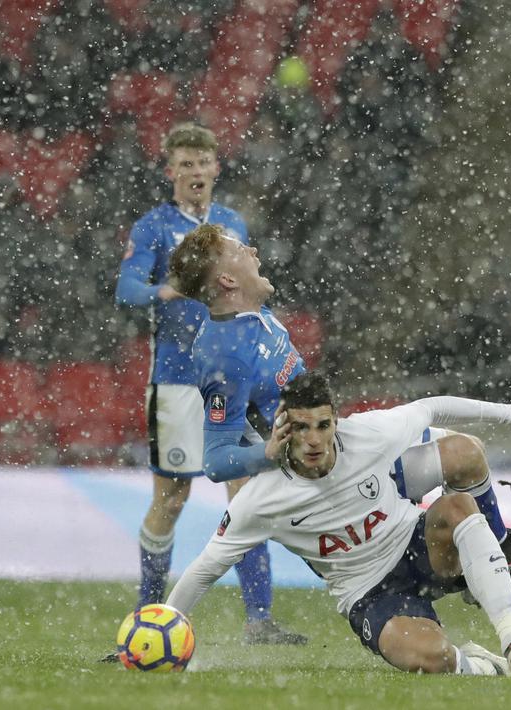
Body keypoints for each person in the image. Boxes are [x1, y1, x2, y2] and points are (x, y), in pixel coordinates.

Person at [169, 224, 511, 577]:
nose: (253, 251)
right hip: (322, 487)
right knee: (424, 556)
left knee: (467, 455)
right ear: (226, 280)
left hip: (344, 452)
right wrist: (270, 455)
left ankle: (492, 551)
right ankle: (471, 570)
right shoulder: (224, 355)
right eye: (240, 250)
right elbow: (216, 460)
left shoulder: (256, 315)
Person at [165, 368, 511, 675]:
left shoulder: (369, 434)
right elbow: (205, 569)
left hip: (418, 547)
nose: (314, 439)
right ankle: (489, 664)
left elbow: (432, 406)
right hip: (368, 592)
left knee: (461, 488)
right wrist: (164, 627)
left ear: (336, 421)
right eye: (301, 427)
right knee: (431, 658)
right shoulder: (260, 498)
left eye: (323, 425)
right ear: (283, 426)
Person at [113, 123, 301, 645]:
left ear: (217, 168)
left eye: (204, 163)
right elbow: (127, 289)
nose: (196, 173)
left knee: (244, 495)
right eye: (186, 164)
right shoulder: (153, 227)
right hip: (175, 381)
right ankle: (148, 615)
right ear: (170, 171)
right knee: (171, 499)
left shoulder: (230, 222)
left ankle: (259, 620)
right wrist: (166, 290)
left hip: (228, 375)